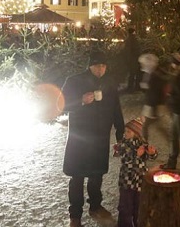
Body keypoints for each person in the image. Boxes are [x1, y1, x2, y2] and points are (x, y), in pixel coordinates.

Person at [61, 50, 125, 227]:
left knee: (96, 174)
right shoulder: (74, 81)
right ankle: (75, 215)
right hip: (80, 137)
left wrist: (120, 131)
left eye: (104, 65)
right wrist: (81, 100)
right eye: (97, 65)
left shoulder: (110, 83)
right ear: (90, 65)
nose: (100, 69)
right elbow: (61, 104)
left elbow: (116, 108)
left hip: (100, 136)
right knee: (77, 176)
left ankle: (95, 206)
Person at [113, 118, 158, 227]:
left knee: (139, 205)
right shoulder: (123, 144)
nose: (125, 133)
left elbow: (149, 157)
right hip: (127, 181)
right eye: (125, 131)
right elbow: (125, 160)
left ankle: (139, 223)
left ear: (136, 133)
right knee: (126, 206)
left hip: (140, 181)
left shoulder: (142, 143)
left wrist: (152, 153)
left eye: (128, 131)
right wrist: (136, 155)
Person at [141, 57, 171, 143]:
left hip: (154, 106)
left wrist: (153, 110)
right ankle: (172, 143)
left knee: (146, 125)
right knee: (158, 126)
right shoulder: (155, 74)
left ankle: (144, 144)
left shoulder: (154, 76)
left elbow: (154, 94)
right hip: (155, 105)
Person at [123, 28, 141, 92]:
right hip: (135, 59)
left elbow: (127, 51)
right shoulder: (135, 39)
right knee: (136, 74)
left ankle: (130, 88)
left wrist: (127, 60)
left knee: (132, 74)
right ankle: (136, 87)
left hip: (131, 60)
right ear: (133, 32)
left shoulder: (128, 39)